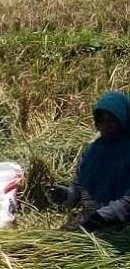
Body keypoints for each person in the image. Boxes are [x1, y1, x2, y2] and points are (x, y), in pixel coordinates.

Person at [50, 91, 130, 231]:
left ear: (123, 119)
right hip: (89, 220)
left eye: (112, 120)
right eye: (102, 121)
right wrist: (64, 194)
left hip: (119, 225)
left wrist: (101, 218)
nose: (107, 126)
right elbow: (77, 192)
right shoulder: (92, 152)